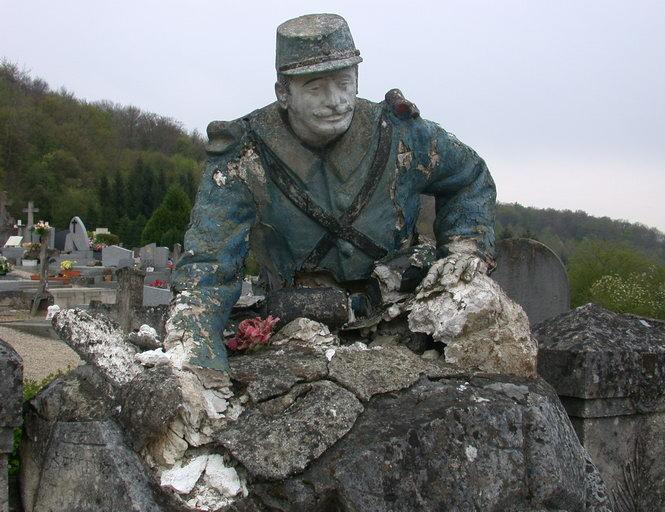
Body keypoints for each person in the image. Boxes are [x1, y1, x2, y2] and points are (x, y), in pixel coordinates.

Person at [167, 13, 496, 372]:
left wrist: (464, 249)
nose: (336, 100)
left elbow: (469, 177)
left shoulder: (401, 134)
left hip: (407, 311)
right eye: (315, 87)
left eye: (344, 82)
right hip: (296, 327)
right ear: (283, 93)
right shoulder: (244, 154)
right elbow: (209, 266)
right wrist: (196, 350)